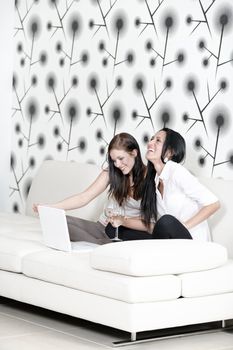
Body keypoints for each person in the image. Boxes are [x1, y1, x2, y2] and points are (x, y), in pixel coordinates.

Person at [33, 132, 149, 244]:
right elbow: (84, 197)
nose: (117, 165)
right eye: (114, 160)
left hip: (124, 232)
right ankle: (102, 244)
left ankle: (105, 245)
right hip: (102, 227)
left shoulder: (149, 178)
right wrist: (51, 208)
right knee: (60, 222)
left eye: (121, 158)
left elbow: (151, 219)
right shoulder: (111, 173)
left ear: (134, 153)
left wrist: (125, 220)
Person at [140, 127, 220, 241]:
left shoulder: (177, 172)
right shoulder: (155, 180)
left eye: (157, 140)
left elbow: (214, 204)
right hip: (173, 242)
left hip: (192, 241)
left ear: (170, 152)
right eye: (152, 139)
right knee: (124, 232)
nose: (150, 143)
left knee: (166, 221)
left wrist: (183, 226)